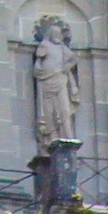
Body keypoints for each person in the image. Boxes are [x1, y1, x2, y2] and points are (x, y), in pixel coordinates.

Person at [30, 17, 83, 148]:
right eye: (54, 33)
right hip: (46, 81)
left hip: (60, 80)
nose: (57, 36)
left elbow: (74, 58)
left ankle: (68, 134)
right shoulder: (44, 45)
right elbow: (39, 61)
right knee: (48, 111)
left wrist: (68, 66)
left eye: (59, 34)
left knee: (64, 108)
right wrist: (39, 68)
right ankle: (52, 135)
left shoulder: (62, 48)